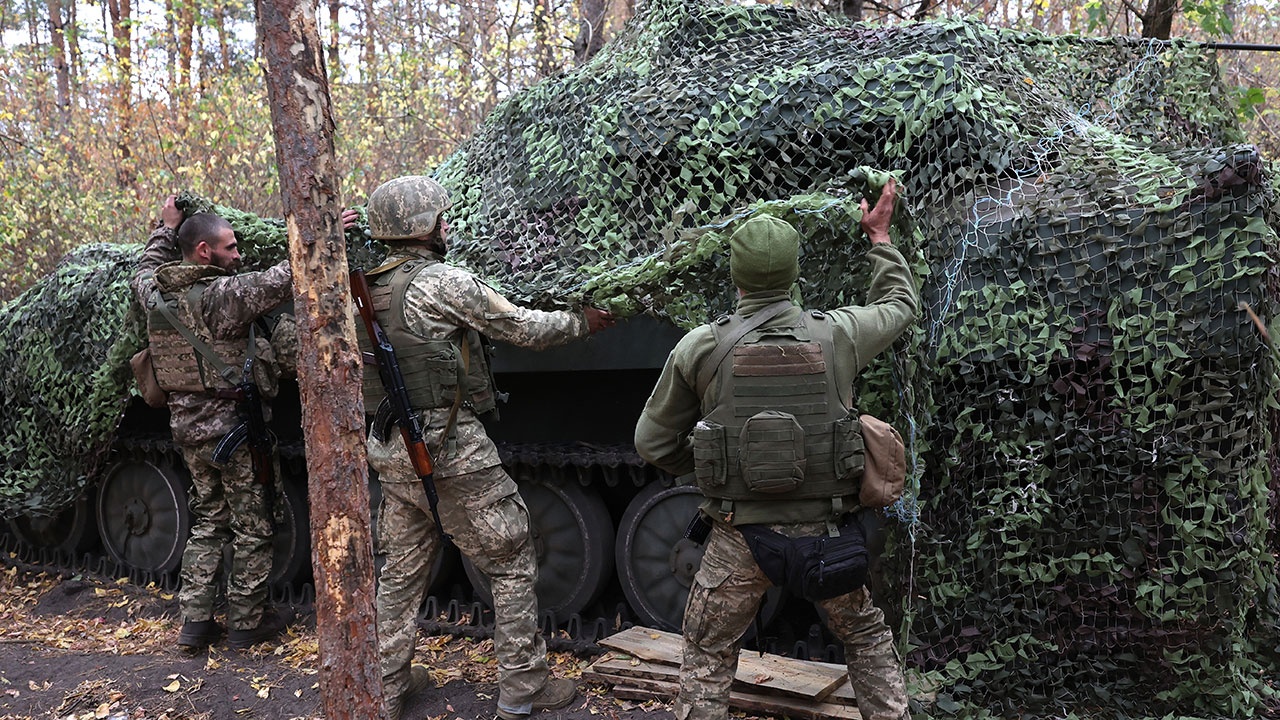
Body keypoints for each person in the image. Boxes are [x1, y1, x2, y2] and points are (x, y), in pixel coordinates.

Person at [633, 178, 918, 720]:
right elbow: (899, 305)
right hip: (828, 533)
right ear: (795, 275)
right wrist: (879, 236)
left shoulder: (701, 346)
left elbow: (651, 441)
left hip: (739, 535)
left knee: (708, 650)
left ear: (734, 278)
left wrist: (718, 470)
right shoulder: (840, 335)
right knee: (865, 638)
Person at [348, 175, 616, 720]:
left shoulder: (360, 289)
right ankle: (523, 687)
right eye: (441, 217)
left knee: (400, 569)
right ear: (424, 226)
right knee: (513, 554)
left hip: (390, 448)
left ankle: (388, 683)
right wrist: (582, 322)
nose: (447, 224)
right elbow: (524, 328)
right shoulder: (444, 283)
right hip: (449, 449)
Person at [131, 195, 294, 652]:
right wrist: (324, 237)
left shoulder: (155, 294)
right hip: (236, 433)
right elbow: (283, 279)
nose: (238, 255)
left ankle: (196, 623)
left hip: (187, 432)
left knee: (207, 523)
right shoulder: (223, 296)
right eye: (230, 247)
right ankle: (246, 622)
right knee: (255, 524)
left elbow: (142, 270)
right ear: (204, 252)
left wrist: (166, 228)